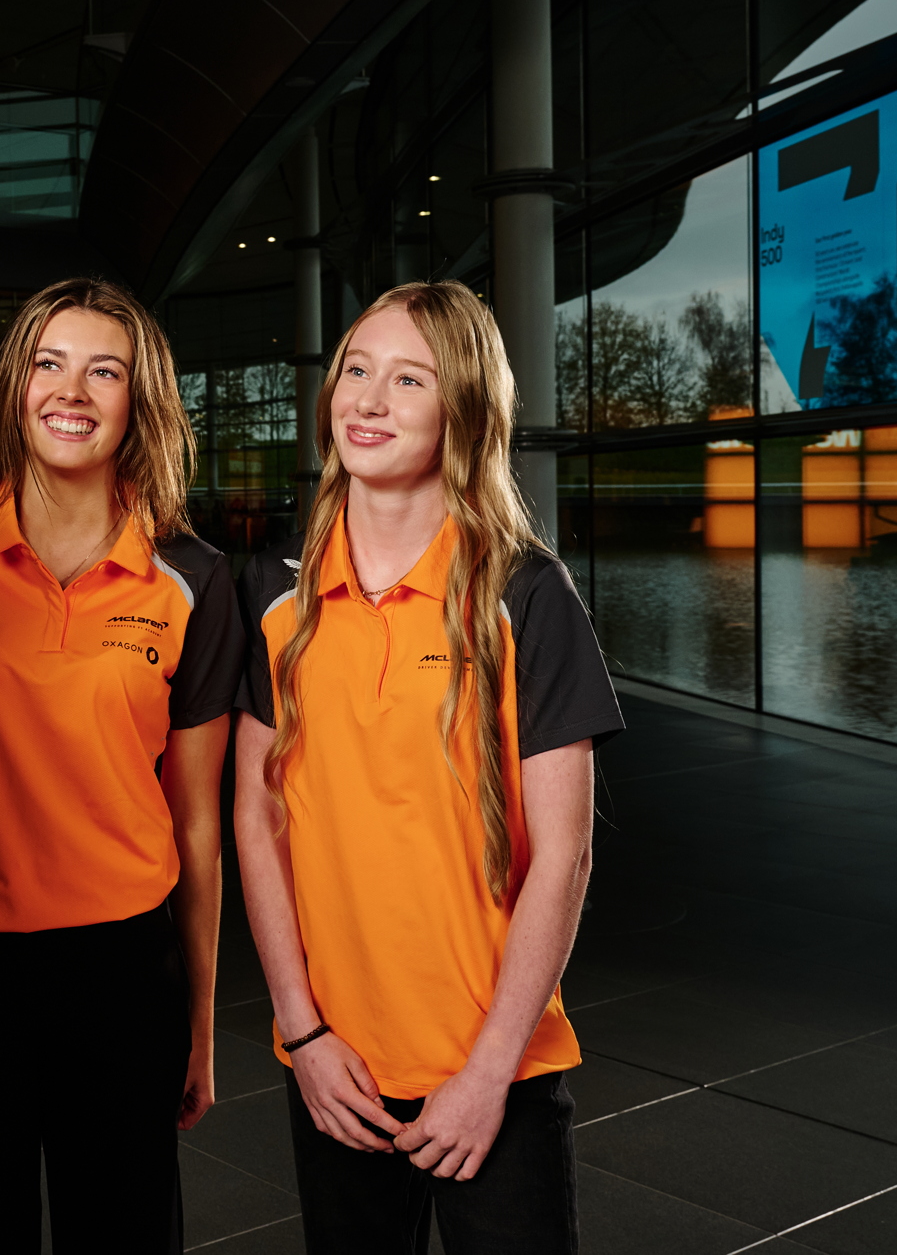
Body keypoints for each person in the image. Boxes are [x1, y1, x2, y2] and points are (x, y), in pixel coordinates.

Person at [233, 281, 621, 1254]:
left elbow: (563, 858)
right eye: (355, 371)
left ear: (462, 409)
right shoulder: (275, 596)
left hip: (492, 1069)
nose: (366, 399)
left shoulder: (523, 593)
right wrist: (303, 1036)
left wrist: (487, 1071)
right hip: (338, 1067)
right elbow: (256, 817)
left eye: (407, 379)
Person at [0, 279, 242, 1255]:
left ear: (137, 403)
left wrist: (200, 1017)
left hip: (124, 973)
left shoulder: (192, 579)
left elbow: (197, 823)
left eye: (102, 371)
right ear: (14, 387)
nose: (70, 390)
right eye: (48, 363)